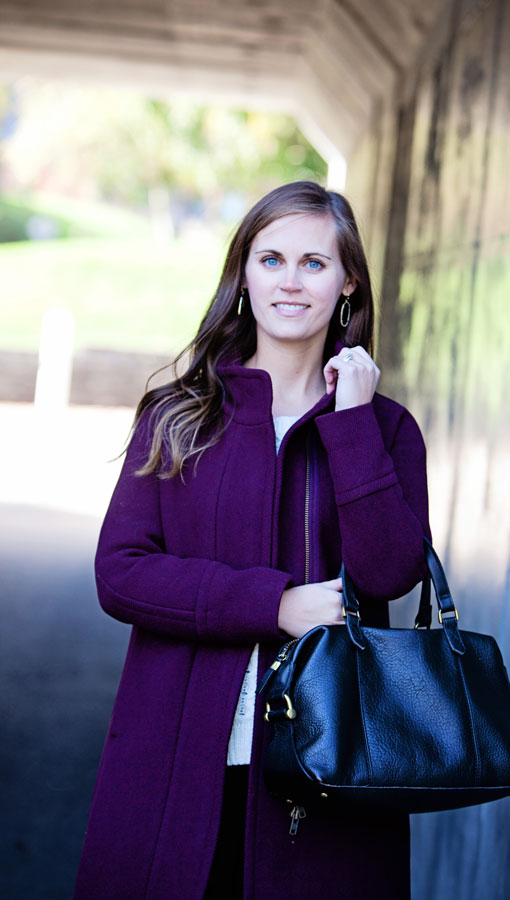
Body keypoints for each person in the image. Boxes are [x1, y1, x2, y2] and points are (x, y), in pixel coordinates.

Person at [73, 181, 431, 900]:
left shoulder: (385, 428)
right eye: (271, 260)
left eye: (313, 263)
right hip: (176, 757)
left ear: (348, 283)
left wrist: (351, 423)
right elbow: (121, 572)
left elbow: (391, 572)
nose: (289, 282)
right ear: (243, 274)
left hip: (328, 770)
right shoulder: (180, 416)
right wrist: (275, 605)